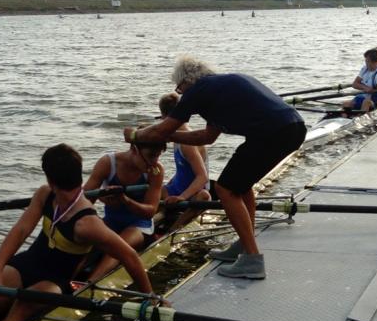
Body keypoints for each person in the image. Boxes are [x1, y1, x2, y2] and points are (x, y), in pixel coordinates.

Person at [0, 143, 157, 321]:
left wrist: (150, 297)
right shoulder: (44, 194)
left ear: (50, 179)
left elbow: (129, 256)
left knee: (23, 306)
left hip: (55, 280)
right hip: (27, 263)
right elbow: (21, 230)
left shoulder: (87, 223)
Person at [125, 56, 307, 280]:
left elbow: (162, 130)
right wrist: (167, 136)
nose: (180, 93)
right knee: (240, 186)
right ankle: (244, 245)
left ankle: (252, 260)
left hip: (274, 132)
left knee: (225, 188)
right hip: (291, 128)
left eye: (179, 88)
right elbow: (206, 137)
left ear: (186, 81)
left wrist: (135, 135)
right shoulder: (217, 89)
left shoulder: (198, 89)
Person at [83, 137, 165, 277]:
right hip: (111, 222)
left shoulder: (156, 170)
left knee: (120, 245)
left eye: (158, 156)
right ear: (134, 149)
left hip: (139, 226)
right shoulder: (108, 163)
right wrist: (103, 196)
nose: (154, 161)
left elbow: (150, 211)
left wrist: (124, 200)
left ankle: (90, 283)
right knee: (82, 242)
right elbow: (85, 200)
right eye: (151, 155)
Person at [157, 92, 212, 228]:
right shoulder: (176, 136)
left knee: (203, 196)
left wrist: (182, 197)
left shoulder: (187, 143)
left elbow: (202, 177)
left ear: (165, 117)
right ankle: (156, 218)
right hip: (179, 188)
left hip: (195, 193)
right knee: (156, 190)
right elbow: (183, 170)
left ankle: (173, 229)